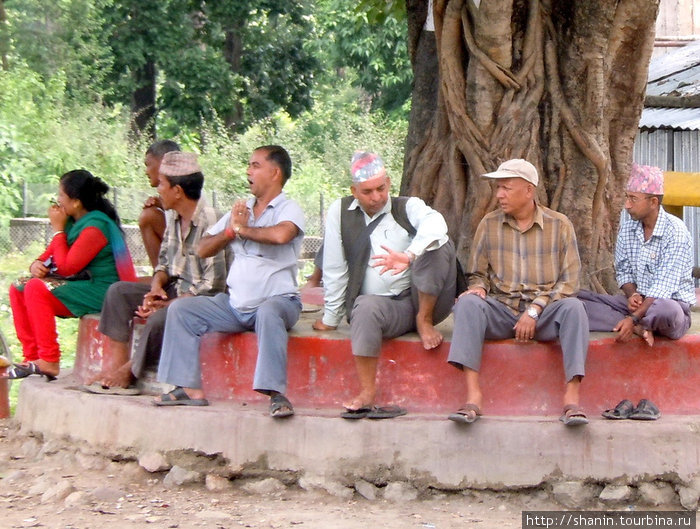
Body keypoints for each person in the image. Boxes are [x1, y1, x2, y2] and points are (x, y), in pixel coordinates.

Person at [153, 145, 305, 417]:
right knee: (180, 310)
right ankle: (189, 389)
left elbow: (282, 236)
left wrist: (242, 229)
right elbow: (203, 248)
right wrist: (230, 232)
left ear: (275, 173)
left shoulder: (289, 207)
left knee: (270, 312)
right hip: (235, 305)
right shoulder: (241, 208)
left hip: (280, 302)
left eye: (256, 165)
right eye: (249, 165)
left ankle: (276, 395)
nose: (248, 171)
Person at [313, 151, 456, 419]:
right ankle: (367, 392)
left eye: (381, 188)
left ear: (389, 183)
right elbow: (333, 268)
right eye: (367, 191)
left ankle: (424, 321)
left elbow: (436, 224)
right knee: (363, 307)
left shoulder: (407, 206)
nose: (377, 197)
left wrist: (410, 254)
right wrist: (331, 317)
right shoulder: (340, 212)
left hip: (422, 301)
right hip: (385, 309)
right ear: (354, 191)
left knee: (438, 244)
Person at [447, 159, 589, 426]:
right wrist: (477, 288)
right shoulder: (489, 225)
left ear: (528, 190)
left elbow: (569, 282)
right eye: (498, 188)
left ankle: (572, 400)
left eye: (506, 188)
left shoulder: (560, 225)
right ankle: (473, 397)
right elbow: (477, 273)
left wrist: (535, 310)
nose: (499, 195)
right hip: (502, 309)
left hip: (545, 312)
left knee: (575, 308)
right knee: (467, 305)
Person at [84, 152, 227, 394]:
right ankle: (115, 365)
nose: (158, 189)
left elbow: (212, 284)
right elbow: (163, 264)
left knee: (164, 316)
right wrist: (156, 288)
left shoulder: (211, 220)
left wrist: (168, 303)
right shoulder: (173, 217)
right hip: (177, 289)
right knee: (118, 292)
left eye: (162, 184)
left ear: (178, 191)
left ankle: (129, 372)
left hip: (204, 299)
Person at [4, 170, 137, 381]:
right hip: (85, 285)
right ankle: (33, 356)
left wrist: (58, 230)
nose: (58, 200)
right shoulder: (74, 223)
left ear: (75, 202)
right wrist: (35, 266)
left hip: (107, 291)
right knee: (18, 286)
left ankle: (49, 359)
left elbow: (67, 267)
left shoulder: (95, 227)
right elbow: (47, 257)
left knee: (36, 288)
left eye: (61, 195)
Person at [578, 163, 695, 347]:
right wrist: (632, 295)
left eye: (633, 199)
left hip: (669, 306)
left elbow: (662, 289)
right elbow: (623, 271)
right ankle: (639, 327)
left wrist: (633, 317)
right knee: (578, 300)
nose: (627, 205)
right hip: (637, 305)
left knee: (665, 310)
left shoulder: (676, 232)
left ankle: (632, 322)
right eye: (627, 197)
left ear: (653, 202)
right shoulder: (628, 227)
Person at [140, 139, 181, 269]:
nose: (146, 171)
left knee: (148, 216)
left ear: (164, 163)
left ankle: (164, 278)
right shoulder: (165, 193)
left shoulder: (185, 190)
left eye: (148, 165)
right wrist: (160, 204)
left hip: (190, 265)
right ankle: (159, 274)